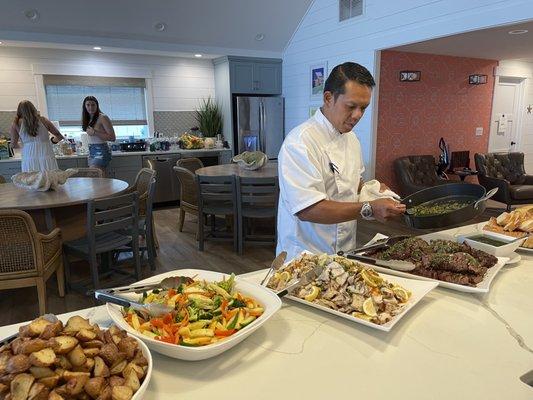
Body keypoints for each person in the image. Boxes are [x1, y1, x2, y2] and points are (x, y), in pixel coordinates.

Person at [277, 62, 406, 259]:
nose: (358, 115)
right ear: (328, 98)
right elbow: (307, 209)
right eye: (351, 106)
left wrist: (372, 190)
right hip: (305, 255)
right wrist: (369, 208)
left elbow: (352, 182)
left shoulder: (351, 139)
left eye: (363, 108)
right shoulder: (300, 142)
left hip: (345, 251)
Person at [10, 100, 64, 172]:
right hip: (46, 153)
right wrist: (51, 141)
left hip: (28, 155)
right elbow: (59, 136)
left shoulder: (16, 123)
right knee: (49, 178)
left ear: (19, 111)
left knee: (31, 180)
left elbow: (13, 144)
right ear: (33, 109)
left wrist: (24, 146)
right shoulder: (43, 120)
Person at [82, 96, 116, 174]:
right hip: (91, 151)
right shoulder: (88, 119)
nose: (91, 107)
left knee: (93, 176)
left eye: (93, 105)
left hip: (101, 151)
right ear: (84, 106)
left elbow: (112, 137)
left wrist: (95, 132)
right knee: (98, 180)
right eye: (88, 105)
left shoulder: (102, 117)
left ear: (97, 105)